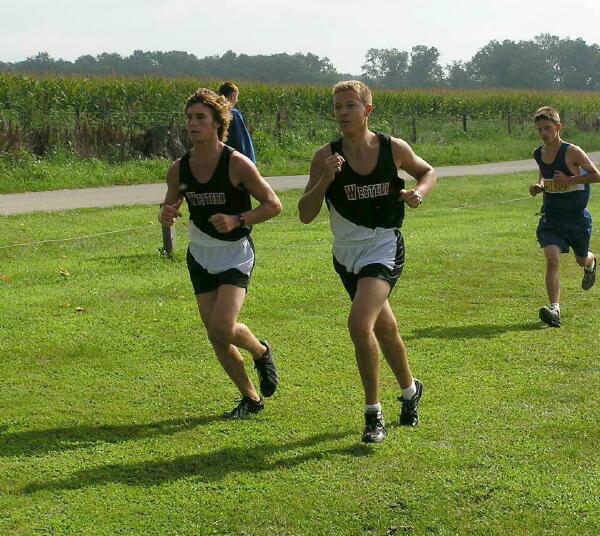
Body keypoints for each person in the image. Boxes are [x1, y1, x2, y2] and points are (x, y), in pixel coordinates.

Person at [298, 80, 436, 444]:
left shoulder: (392, 148)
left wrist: (419, 193)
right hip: (345, 256)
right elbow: (305, 214)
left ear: (367, 110)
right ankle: (410, 391)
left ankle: (373, 414)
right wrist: (325, 178)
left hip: (383, 246)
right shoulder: (324, 156)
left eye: (350, 105)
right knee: (385, 329)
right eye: (337, 107)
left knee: (360, 325)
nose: (342, 112)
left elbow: (427, 171)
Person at [159, 88, 281, 418]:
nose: (193, 123)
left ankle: (260, 351)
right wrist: (166, 214)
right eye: (189, 117)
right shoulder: (179, 169)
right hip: (200, 255)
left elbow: (273, 205)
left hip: (235, 253)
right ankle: (251, 399)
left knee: (223, 327)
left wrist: (237, 219)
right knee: (216, 337)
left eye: (201, 117)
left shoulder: (237, 164)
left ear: (218, 123)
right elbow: (170, 206)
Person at [529, 106, 599, 327]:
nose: (543, 133)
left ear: (558, 127)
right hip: (551, 218)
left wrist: (570, 181)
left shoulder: (573, 152)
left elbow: (596, 175)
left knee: (581, 259)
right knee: (552, 259)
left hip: (577, 219)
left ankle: (591, 262)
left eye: (547, 128)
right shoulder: (539, 153)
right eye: (539, 129)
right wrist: (540, 186)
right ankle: (554, 309)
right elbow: (544, 173)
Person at [218, 81, 256, 163]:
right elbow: (242, 141)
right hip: (233, 160)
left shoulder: (214, 113)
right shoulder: (234, 114)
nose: (237, 100)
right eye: (236, 97)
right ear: (233, 95)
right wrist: (250, 162)